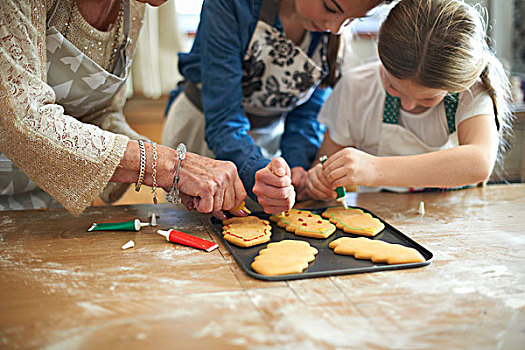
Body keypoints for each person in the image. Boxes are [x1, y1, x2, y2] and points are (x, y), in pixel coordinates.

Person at [0, 0, 247, 217]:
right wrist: (166, 166)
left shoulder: (134, 6)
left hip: (48, 200)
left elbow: (100, 115)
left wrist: (178, 174)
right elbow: (21, 119)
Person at [162, 0, 392, 214]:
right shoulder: (232, 5)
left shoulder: (332, 36)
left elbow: (308, 114)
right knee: (197, 223)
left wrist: (294, 169)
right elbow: (223, 119)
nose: (335, 28)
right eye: (330, 8)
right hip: (203, 129)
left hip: (267, 140)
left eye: (353, 20)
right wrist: (258, 172)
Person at [306, 0, 513, 199]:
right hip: (383, 222)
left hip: (456, 222)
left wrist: (375, 170)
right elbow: (324, 162)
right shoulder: (357, 87)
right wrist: (320, 180)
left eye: (428, 98)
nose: (408, 105)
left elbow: (479, 162)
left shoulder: (470, 92)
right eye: (393, 87)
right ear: (381, 55)